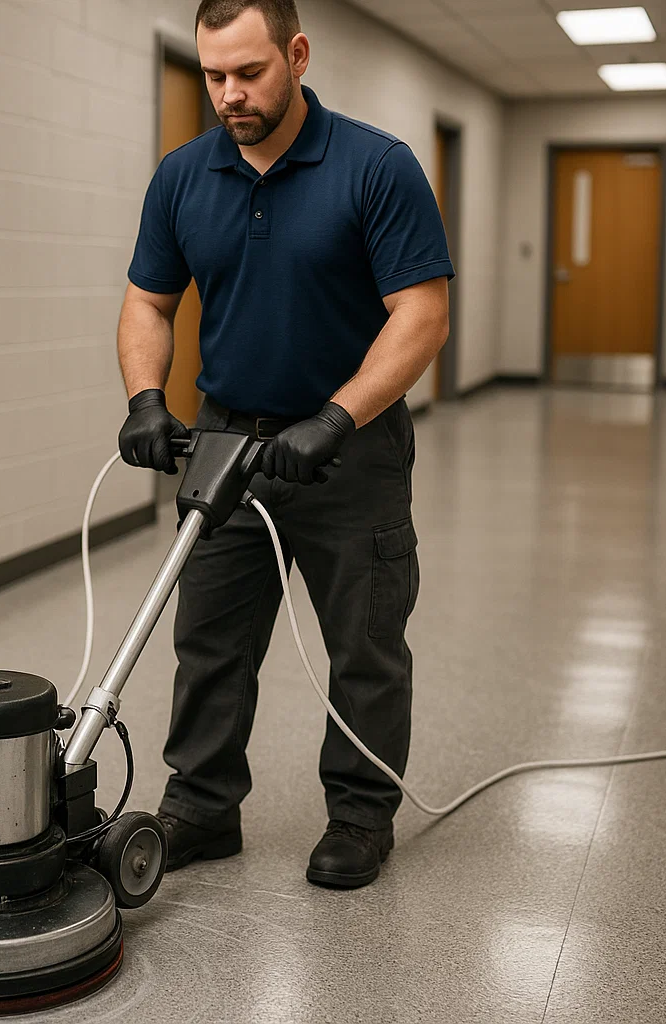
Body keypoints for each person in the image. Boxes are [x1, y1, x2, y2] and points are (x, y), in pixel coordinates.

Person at [117, 0, 453, 889]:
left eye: (249, 72)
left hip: (352, 446)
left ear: (297, 55)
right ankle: (201, 804)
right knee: (210, 637)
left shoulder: (376, 167)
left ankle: (360, 816)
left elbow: (422, 314)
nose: (229, 93)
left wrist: (336, 417)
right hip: (226, 439)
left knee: (365, 644)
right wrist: (146, 397)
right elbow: (148, 301)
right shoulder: (182, 176)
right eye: (213, 75)